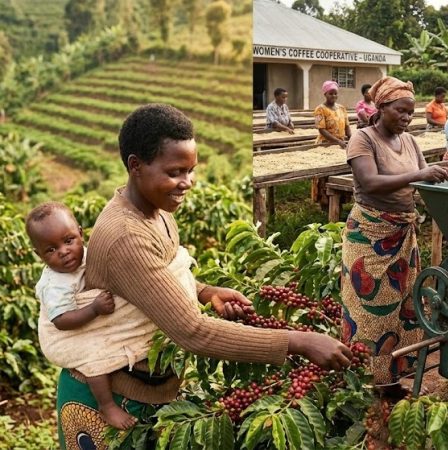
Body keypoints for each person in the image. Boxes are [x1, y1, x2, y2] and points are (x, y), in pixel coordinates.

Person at [57, 104, 353, 448]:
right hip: (107, 399)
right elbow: (193, 332)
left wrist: (205, 291)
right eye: (175, 172)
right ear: (135, 166)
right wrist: (298, 342)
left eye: (191, 170)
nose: (187, 183)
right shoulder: (126, 235)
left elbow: (154, 281)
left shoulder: (154, 211)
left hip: (146, 390)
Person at [342, 76, 448, 389]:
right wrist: (420, 173)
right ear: (382, 107)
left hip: (402, 233)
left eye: (410, 113)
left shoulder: (410, 142)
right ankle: (370, 379)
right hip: (371, 237)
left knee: (404, 305)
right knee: (372, 310)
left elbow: (424, 179)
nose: (406, 118)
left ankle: (399, 370)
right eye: (400, 111)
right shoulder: (363, 139)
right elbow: (370, 182)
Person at [26, 203, 136, 430]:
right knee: (94, 360)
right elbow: (61, 320)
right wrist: (93, 309)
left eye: (68, 241)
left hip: (86, 320)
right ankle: (106, 406)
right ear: (39, 255)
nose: (64, 251)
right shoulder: (55, 284)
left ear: (80, 234)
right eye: (51, 250)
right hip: (66, 334)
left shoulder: (90, 255)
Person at [314, 80, 351, 148]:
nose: (333, 96)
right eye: (330, 94)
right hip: (325, 144)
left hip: (341, 143)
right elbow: (321, 130)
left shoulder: (342, 108)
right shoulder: (320, 109)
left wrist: (351, 138)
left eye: (335, 93)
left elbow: (347, 126)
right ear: (325, 94)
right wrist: (337, 141)